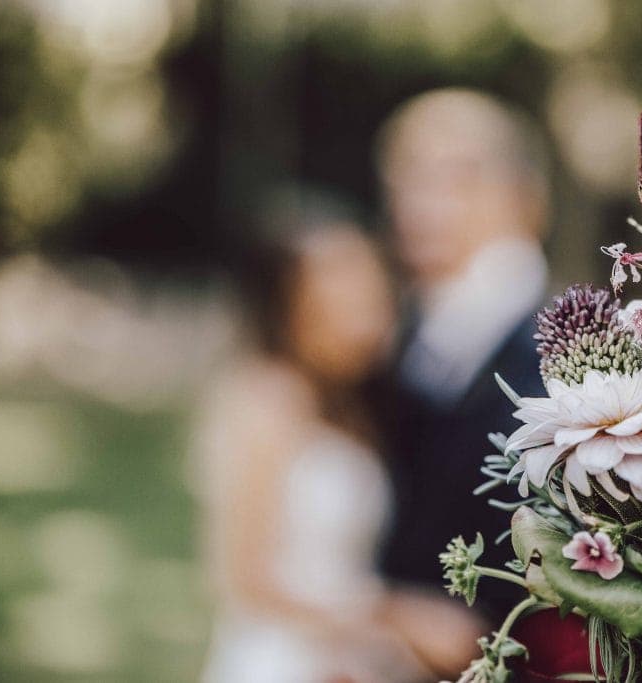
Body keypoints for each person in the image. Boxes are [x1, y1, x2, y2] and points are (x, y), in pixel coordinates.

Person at [194, 203, 483, 683]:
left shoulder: (352, 403)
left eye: (371, 296)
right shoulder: (265, 400)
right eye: (340, 301)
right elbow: (243, 578)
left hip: (352, 660)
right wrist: (400, 618)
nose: (364, 319)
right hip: (283, 658)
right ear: (290, 306)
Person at [376, 89, 552, 615]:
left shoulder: (562, 353)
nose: (420, 202)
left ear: (526, 197)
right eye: (405, 178)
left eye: (454, 178)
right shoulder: (393, 328)